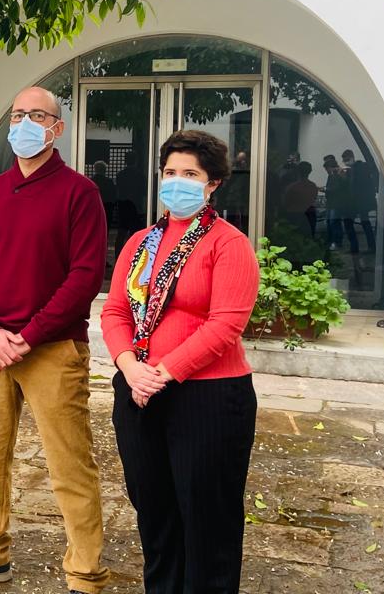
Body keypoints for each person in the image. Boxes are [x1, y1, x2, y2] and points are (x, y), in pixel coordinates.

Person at [0, 86, 109, 594]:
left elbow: (84, 278)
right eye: (17, 114)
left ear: (57, 128)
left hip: (53, 348)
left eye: (37, 115)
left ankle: (85, 572)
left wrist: (28, 336)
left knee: (69, 463)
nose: (25, 123)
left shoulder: (80, 194)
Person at [100, 130, 260, 594]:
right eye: (170, 173)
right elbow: (114, 311)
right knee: (155, 513)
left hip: (207, 398)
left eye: (190, 174)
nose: (177, 182)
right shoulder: (140, 243)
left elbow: (225, 325)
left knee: (208, 520)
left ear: (212, 184)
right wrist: (130, 367)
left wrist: (163, 372)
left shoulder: (228, 244)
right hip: (138, 391)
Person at [341, 149, 377, 252]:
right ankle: (368, 246)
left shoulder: (360, 168)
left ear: (352, 157)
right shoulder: (355, 169)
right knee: (364, 222)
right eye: (344, 161)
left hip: (360, 201)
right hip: (358, 202)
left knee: (361, 222)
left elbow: (358, 186)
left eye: (347, 160)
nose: (346, 162)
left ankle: (363, 247)